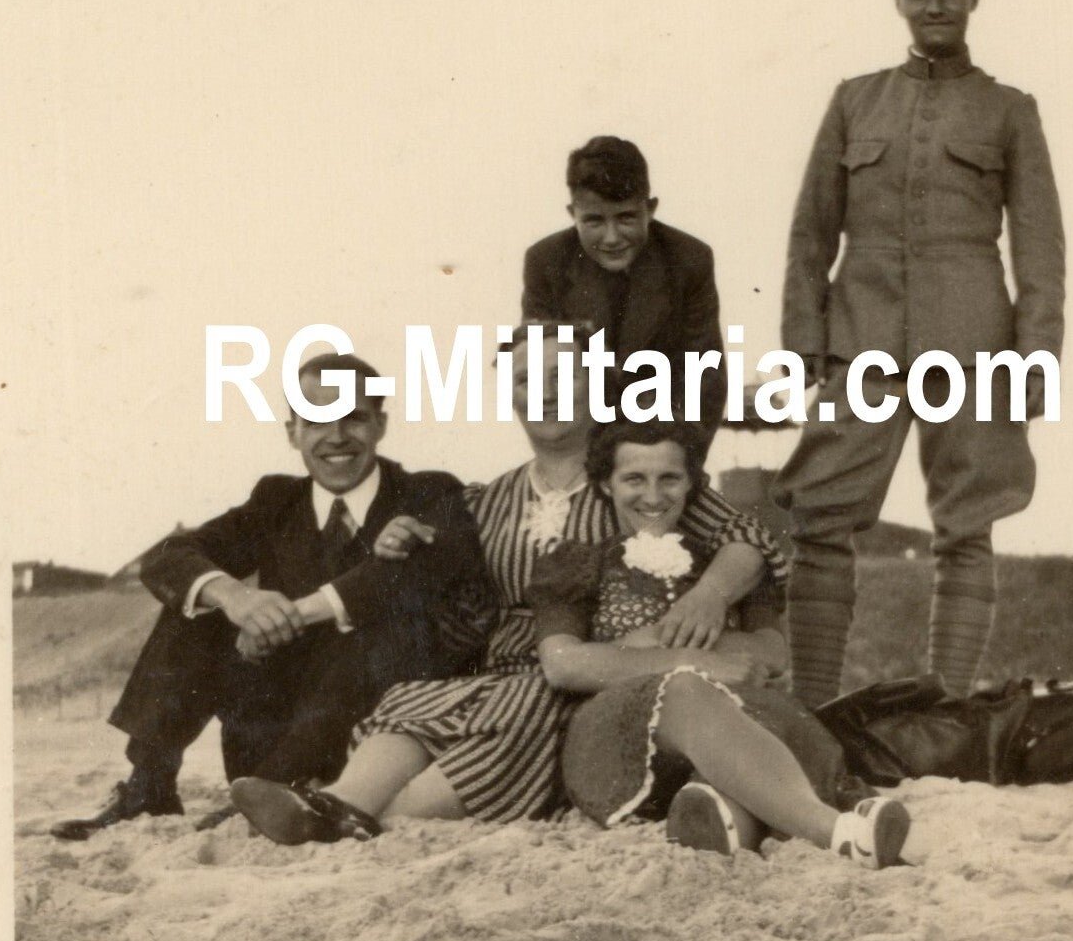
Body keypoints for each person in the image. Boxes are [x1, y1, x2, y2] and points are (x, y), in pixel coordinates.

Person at [228, 330, 785, 842]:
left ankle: (361, 819)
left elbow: (750, 535)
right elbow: (442, 578)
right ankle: (337, 803)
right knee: (412, 702)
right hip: (498, 674)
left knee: (511, 715)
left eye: (564, 378)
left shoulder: (633, 480)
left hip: (589, 676)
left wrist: (710, 592)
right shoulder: (487, 498)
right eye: (525, 380)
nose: (544, 394)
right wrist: (406, 540)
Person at [774, 0, 1066, 706]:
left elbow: (1040, 245)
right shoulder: (853, 101)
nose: (935, 4)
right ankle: (812, 707)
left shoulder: (1010, 111)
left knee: (967, 528)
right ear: (897, 1)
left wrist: (1038, 352)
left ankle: (948, 708)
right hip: (860, 336)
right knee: (821, 521)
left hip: (974, 342)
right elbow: (810, 234)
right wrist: (805, 345)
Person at [50, 354, 496, 839]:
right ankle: (149, 786)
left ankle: (282, 791)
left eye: (355, 417)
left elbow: (435, 571)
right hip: (272, 722)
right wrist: (236, 598)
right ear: (292, 432)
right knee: (199, 604)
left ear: (381, 424)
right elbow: (167, 556)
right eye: (317, 420)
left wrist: (290, 616)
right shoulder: (275, 500)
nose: (337, 436)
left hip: (369, 729)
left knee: (395, 617)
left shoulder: (428, 492)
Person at [529, 422, 911, 867]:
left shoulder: (724, 562)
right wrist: (691, 660)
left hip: (735, 724)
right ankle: (838, 833)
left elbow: (772, 652)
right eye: (634, 479)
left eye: (669, 478)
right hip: (618, 732)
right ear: (604, 484)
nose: (653, 495)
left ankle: (721, 826)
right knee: (687, 689)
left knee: (723, 779)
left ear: (691, 484)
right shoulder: (575, 562)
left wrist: (668, 641)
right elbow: (562, 663)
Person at [521, 135, 725, 437]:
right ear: (572, 214)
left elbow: (703, 377)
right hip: (580, 436)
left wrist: (677, 457)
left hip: (664, 432)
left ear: (651, 209)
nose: (612, 237)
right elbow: (542, 378)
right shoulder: (545, 261)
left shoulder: (689, 260)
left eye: (626, 218)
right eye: (594, 221)